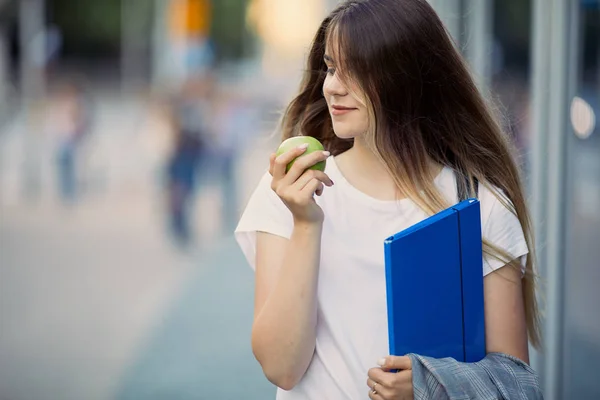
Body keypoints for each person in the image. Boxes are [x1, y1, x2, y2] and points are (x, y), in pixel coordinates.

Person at [235, 1, 541, 399]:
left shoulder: (480, 206)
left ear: (408, 77)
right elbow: (281, 368)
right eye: (330, 67)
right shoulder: (291, 189)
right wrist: (307, 223)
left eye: (357, 69)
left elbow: (515, 385)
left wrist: (429, 384)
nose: (333, 86)